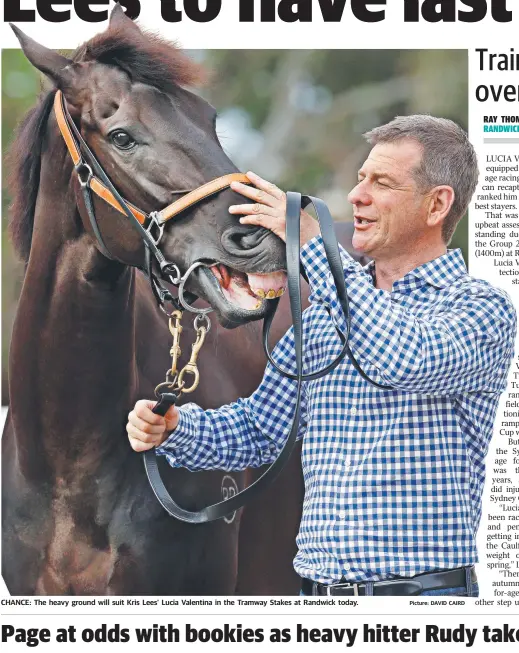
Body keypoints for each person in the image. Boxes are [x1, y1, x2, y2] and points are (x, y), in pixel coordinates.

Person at [127, 116, 516, 597]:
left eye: (383, 183)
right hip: (319, 601)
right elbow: (259, 429)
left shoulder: (479, 308)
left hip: (424, 603)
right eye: (360, 179)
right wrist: (176, 429)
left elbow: (401, 358)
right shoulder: (327, 315)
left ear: (437, 204)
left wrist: (315, 245)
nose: (357, 196)